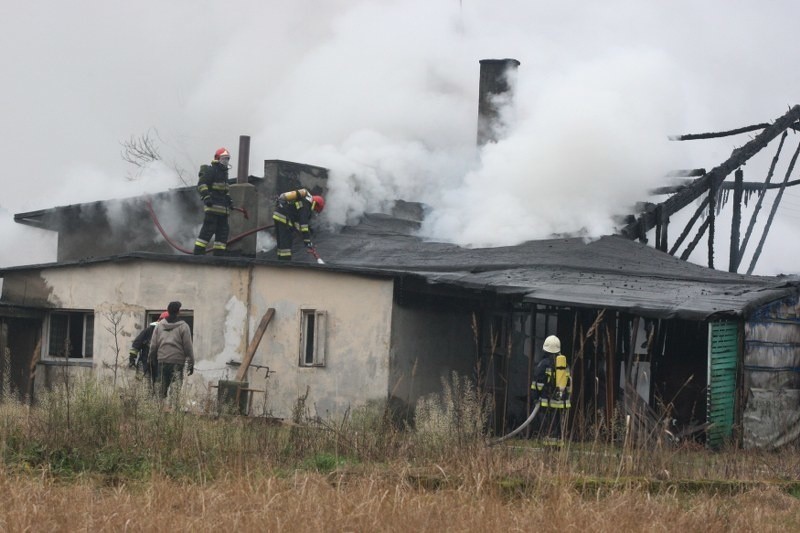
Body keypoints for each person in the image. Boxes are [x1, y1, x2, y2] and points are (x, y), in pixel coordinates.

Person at [149, 301, 195, 400]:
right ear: (178, 311)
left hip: (162, 361)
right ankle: (173, 412)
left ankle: (159, 412)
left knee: (160, 391)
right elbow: (188, 346)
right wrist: (191, 363)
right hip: (177, 362)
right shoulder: (184, 326)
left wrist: (151, 358)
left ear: (168, 311)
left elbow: (153, 345)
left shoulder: (159, 326)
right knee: (175, 391)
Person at [531, 335, 572, 440]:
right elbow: (568, 383)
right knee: (558, 426)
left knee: (546, 426)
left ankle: (547, 443)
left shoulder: (543, 364)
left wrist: (534, 397)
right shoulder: (565, 364)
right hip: (562, 402)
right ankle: (558, 444)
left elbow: (537, 383)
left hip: (546, 401)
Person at [194, 147, 233, 256]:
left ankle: (219, 255)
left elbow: (224, 191)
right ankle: (198, 254)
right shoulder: (212, 170)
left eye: (227, 159)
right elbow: (201, 184)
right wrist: (206, 197)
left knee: (223, 234)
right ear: (217, 158)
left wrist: (229, 200)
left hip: (223, 211)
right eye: (224, 158)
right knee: (207, 231)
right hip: (213, 209)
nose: (226, 161)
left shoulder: (224, 174)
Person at [272, 188, 325, 260]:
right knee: (286, 245)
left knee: (282, 245)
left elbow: (297, 223)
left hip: (278, 216)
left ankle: (280, 262)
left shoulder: (303, 201)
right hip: (284, 219)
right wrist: (307, 241)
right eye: (315, 210)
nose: (313, 212)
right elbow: (303, 225)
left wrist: (306, 234)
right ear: (315, 204)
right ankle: (285, 265)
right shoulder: (306, 205)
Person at [128, 310, 168, 392]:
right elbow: (136, 345)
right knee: (145, 390)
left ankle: (156, 404)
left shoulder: (168, 333)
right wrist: (132, 359)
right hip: (144, 364)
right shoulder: (148, 331)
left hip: (159, 366)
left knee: (158, 391)